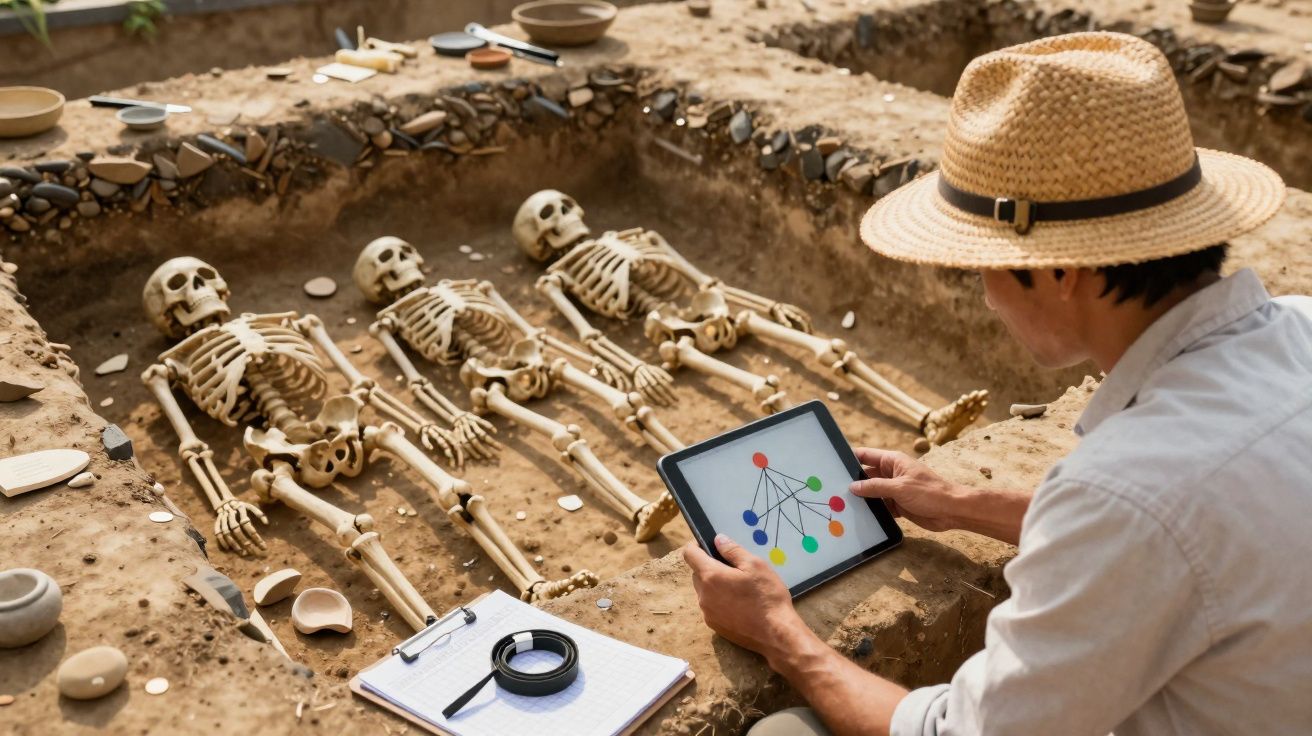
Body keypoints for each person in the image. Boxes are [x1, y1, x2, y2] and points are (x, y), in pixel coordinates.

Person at [683, 31, 1312, 736]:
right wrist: (960, 501)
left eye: (978, 263)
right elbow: (1184, 527)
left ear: (1060, 271)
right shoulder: (1300, 329)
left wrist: (777, 632)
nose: (984, 296)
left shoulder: (1124, 493)